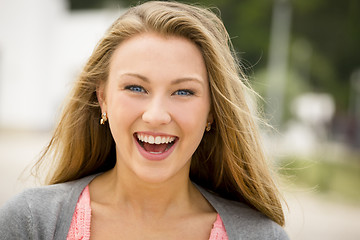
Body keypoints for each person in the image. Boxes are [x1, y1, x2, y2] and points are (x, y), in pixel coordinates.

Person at [0, 1, 289, 239]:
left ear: (212, 111)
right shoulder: (30, 224)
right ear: (103, 98)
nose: (156, 115)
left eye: (184, 91)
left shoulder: (262, 236)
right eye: (136, 88)